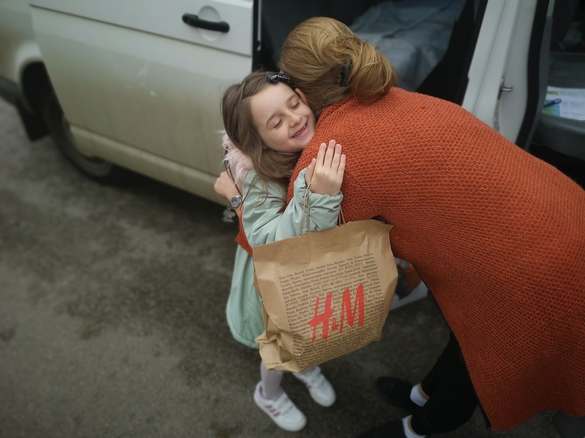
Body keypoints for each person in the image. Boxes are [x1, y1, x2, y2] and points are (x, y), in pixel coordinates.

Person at [260, 16, 584, 438]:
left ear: (300, 91)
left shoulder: (330, 152)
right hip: (568, 214)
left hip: (538, 266)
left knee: (492, 344)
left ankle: (423, 427)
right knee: (472, 330)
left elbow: (284, 248)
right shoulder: (398, 97)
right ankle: (424, 396)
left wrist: (240, 187)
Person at [214, 70, 347, 432]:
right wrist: (317, 198)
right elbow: (267, 241)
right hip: (275, 285)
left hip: (308, 277)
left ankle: (304, 367)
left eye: (295, 103)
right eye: (276, 121)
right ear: (258, 141)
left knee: (303, 336)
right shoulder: (260, 176)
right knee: (279, 346)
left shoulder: (311, 141)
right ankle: (268, 393)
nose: (295, 118)